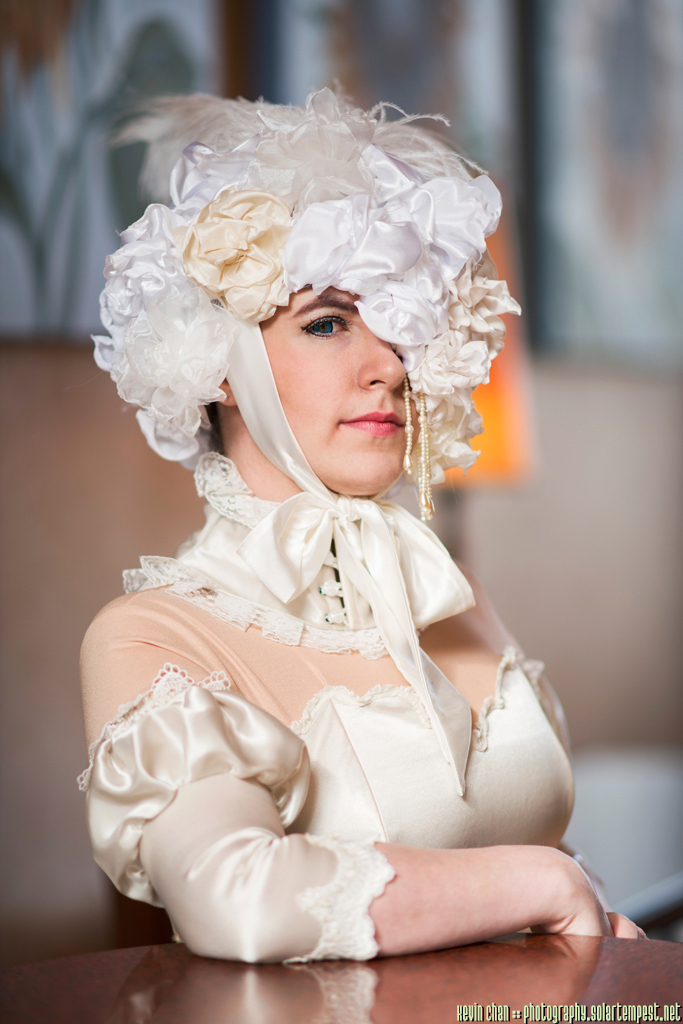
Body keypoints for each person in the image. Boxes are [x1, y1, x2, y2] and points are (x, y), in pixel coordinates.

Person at [79, 88, 643, 963]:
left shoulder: (448, 591)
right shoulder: (154, 635)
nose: (387, 366)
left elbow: (530, 862)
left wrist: (593, 926)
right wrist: (544, 884)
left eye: (399, 326)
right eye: (328, 322)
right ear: (219, 365)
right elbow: (237, 899)